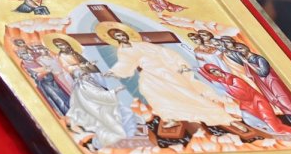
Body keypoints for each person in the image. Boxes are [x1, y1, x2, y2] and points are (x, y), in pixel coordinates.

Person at [100, 24, 243, 133]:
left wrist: (180, 64)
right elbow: (125, 64)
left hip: (166, 72)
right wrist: (113, 72)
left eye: (122, 34)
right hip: (150, 76)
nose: (122, 37)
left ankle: (225, 118)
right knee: (150, 92)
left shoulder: (143, 45)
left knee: (188, 95)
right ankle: (170, 118)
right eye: (118, 36)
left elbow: (165, 53)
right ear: (115, 39)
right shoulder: (123, 51)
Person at [48, 36, 138, 150]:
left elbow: (89, 65)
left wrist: (90, 66)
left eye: (63, 44)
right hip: (82, 81)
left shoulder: (75, 53)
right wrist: (81, 68)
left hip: (90, 77)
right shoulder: (62, 56)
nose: (62, 47)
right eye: (59, 46)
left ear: (67, 43)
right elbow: (68, 68)